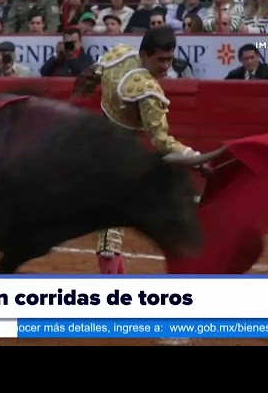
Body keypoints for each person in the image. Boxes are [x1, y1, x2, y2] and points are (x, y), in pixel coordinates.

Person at [73, 25, 199, 275]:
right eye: (160, 59)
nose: (165, 66)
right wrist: (191, 156)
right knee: (112, 226)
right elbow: (161, 141)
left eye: (169, 59)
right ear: (144, 55)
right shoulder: (149, 91)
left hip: (96, 141)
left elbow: (89, 74)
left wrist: (79, 95)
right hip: (119, 157)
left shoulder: (118, 54)